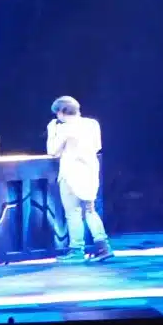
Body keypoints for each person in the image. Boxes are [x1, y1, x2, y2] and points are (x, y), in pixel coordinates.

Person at [46, 96, 111, 261]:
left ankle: (76, 250)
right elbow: (97, 146)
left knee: (73, 213)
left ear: (61, 112)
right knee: (90, 210)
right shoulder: (92, 124)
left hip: (71, 174)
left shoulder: (65, 128)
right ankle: (103, 247)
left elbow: (52, 151)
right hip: (90, 172)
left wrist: (52, 132)